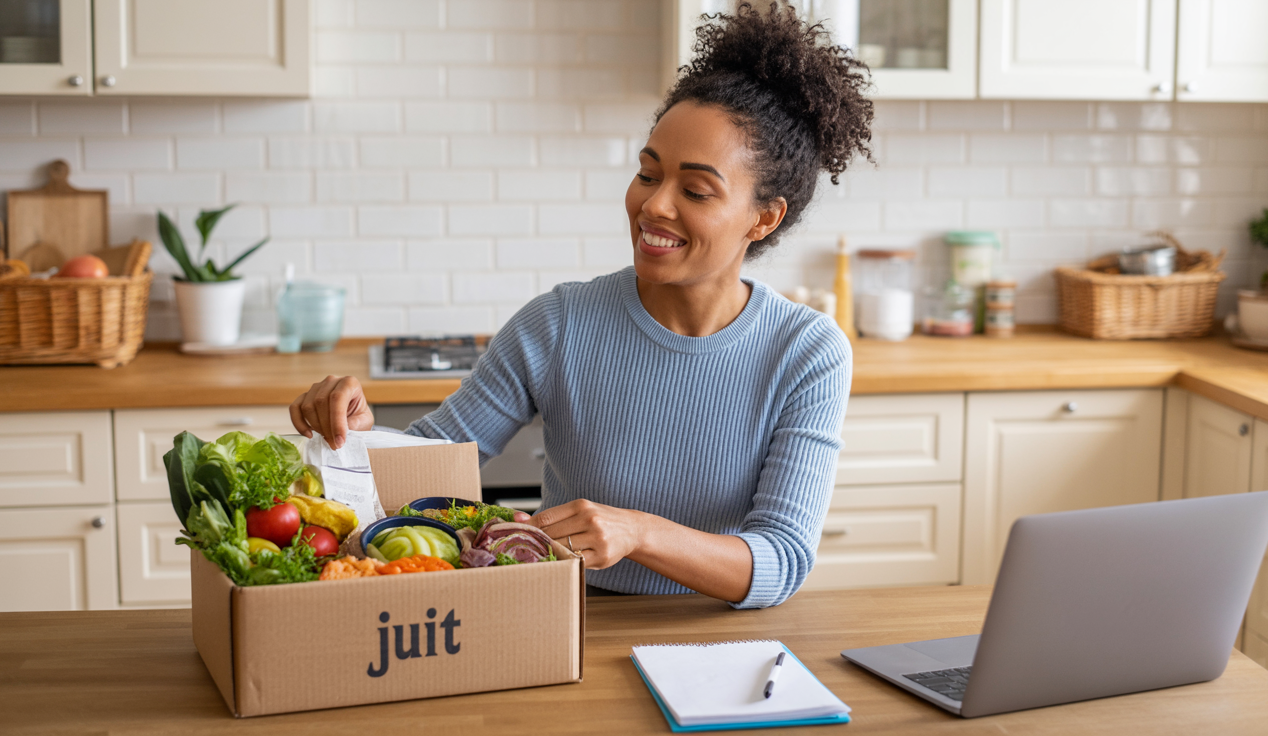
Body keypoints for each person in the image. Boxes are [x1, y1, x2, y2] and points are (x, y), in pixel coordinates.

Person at [290, 3, 874, 608]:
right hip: (571, 621)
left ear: (765, 216)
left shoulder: (807, 350)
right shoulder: (560, 323)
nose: (654, 206)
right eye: (648, 174)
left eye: (696, 190)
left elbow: (782, 560)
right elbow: (431, 463)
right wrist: (357, 439)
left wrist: (639, 532)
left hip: (720, 636)